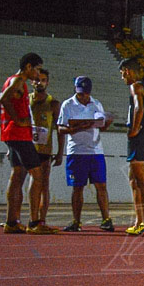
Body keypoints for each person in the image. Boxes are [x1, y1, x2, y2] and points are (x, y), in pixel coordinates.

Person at [0, 53, 51, 233]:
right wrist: (17, 120)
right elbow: (2, 100)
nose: (38, 75)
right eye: (37, 70)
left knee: (17, 175)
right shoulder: (18, 82)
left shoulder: (11, 80)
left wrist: (8, 120)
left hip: (11, 135)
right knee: (37, 174)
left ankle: (11, 221)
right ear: (29, 67)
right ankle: (34, 223)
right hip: (20, 135)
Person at [57, 76, 114, 232]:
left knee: (101, 185)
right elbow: (60, 128)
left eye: (86, 94)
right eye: (81, 93)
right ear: (76, 90)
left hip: (95, 151)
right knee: (77, 187)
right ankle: (76, 221)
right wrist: (77, 128)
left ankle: (106, 219)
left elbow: (101, 125)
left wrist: (106, 123)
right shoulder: (68, 105)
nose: (83, 97)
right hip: (76, 151)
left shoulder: (96, 104)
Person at [120, 58, 144, 235]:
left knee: (140, 181)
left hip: (139, 138)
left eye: (122, 73)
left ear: (128, 71)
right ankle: (140, 221)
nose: (122, 78)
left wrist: (135, 130)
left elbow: (139, 108)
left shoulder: (135, 87)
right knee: (134, 180)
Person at [29, 67, 64, 231]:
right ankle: (32, 219)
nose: (40, 83)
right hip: (26, 148)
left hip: (44, 150)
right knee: (26, 182)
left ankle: (41, 220)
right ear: (32, 81)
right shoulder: (26, 100)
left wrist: (59, 152)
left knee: (43, 185)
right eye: (37, 80)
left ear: (47, 82)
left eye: (43, 80)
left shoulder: (53, 103)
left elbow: (59, 129)